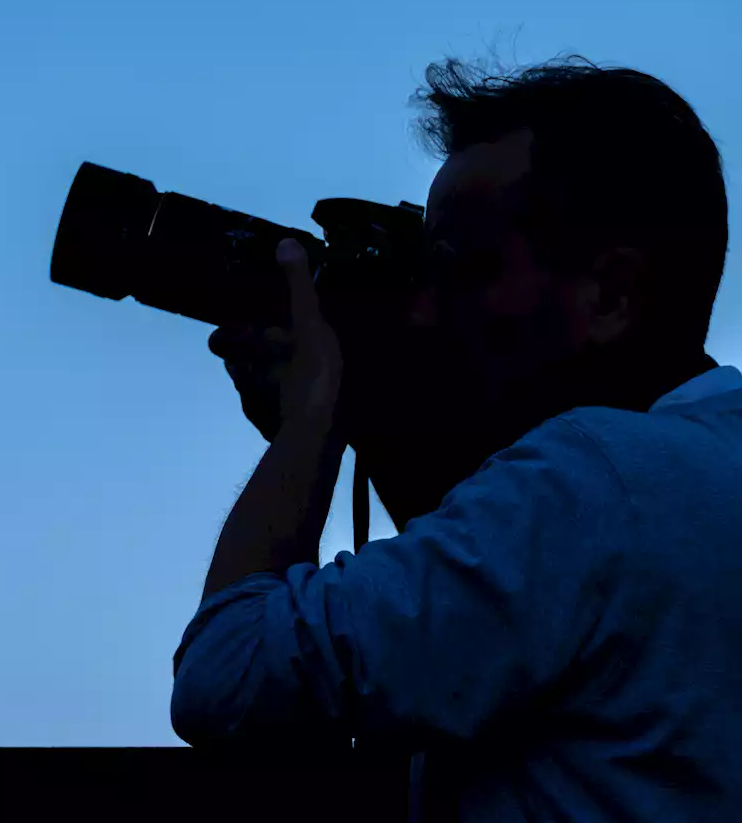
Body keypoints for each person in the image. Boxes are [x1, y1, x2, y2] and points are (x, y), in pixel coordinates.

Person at [170, 54, 741, 821]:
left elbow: (226, 675)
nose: (423, 311)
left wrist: (316, 415)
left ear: (610, 292)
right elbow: (499, 617)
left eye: (461, 268)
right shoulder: (690, 466)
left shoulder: (587, 479)